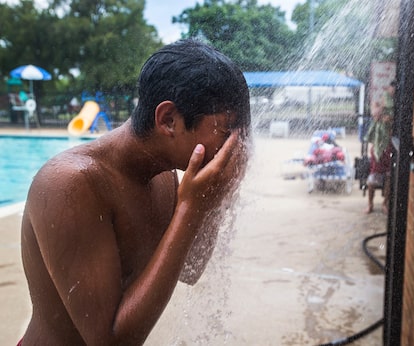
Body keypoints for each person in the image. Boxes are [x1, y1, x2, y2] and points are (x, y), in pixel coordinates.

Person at [19, 39, 251, 346]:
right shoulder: (71, 184)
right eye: (228, 130)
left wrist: (212, 200)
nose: (237, 145)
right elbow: (109, 342)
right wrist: (190, 207)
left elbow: (190, 268)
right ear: (168, 120)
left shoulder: (164, 174)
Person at [364, 80, 395, 214]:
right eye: (391, 88)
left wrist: (387, 116)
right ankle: (370, 204)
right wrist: (382, 105)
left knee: (389, 177)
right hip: (377, 146)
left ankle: (384, 203)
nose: (392, 91)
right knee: (372, 178)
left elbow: (391, 119)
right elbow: (375, 115)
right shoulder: (378, 102)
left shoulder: (396, 106)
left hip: (389, 145)